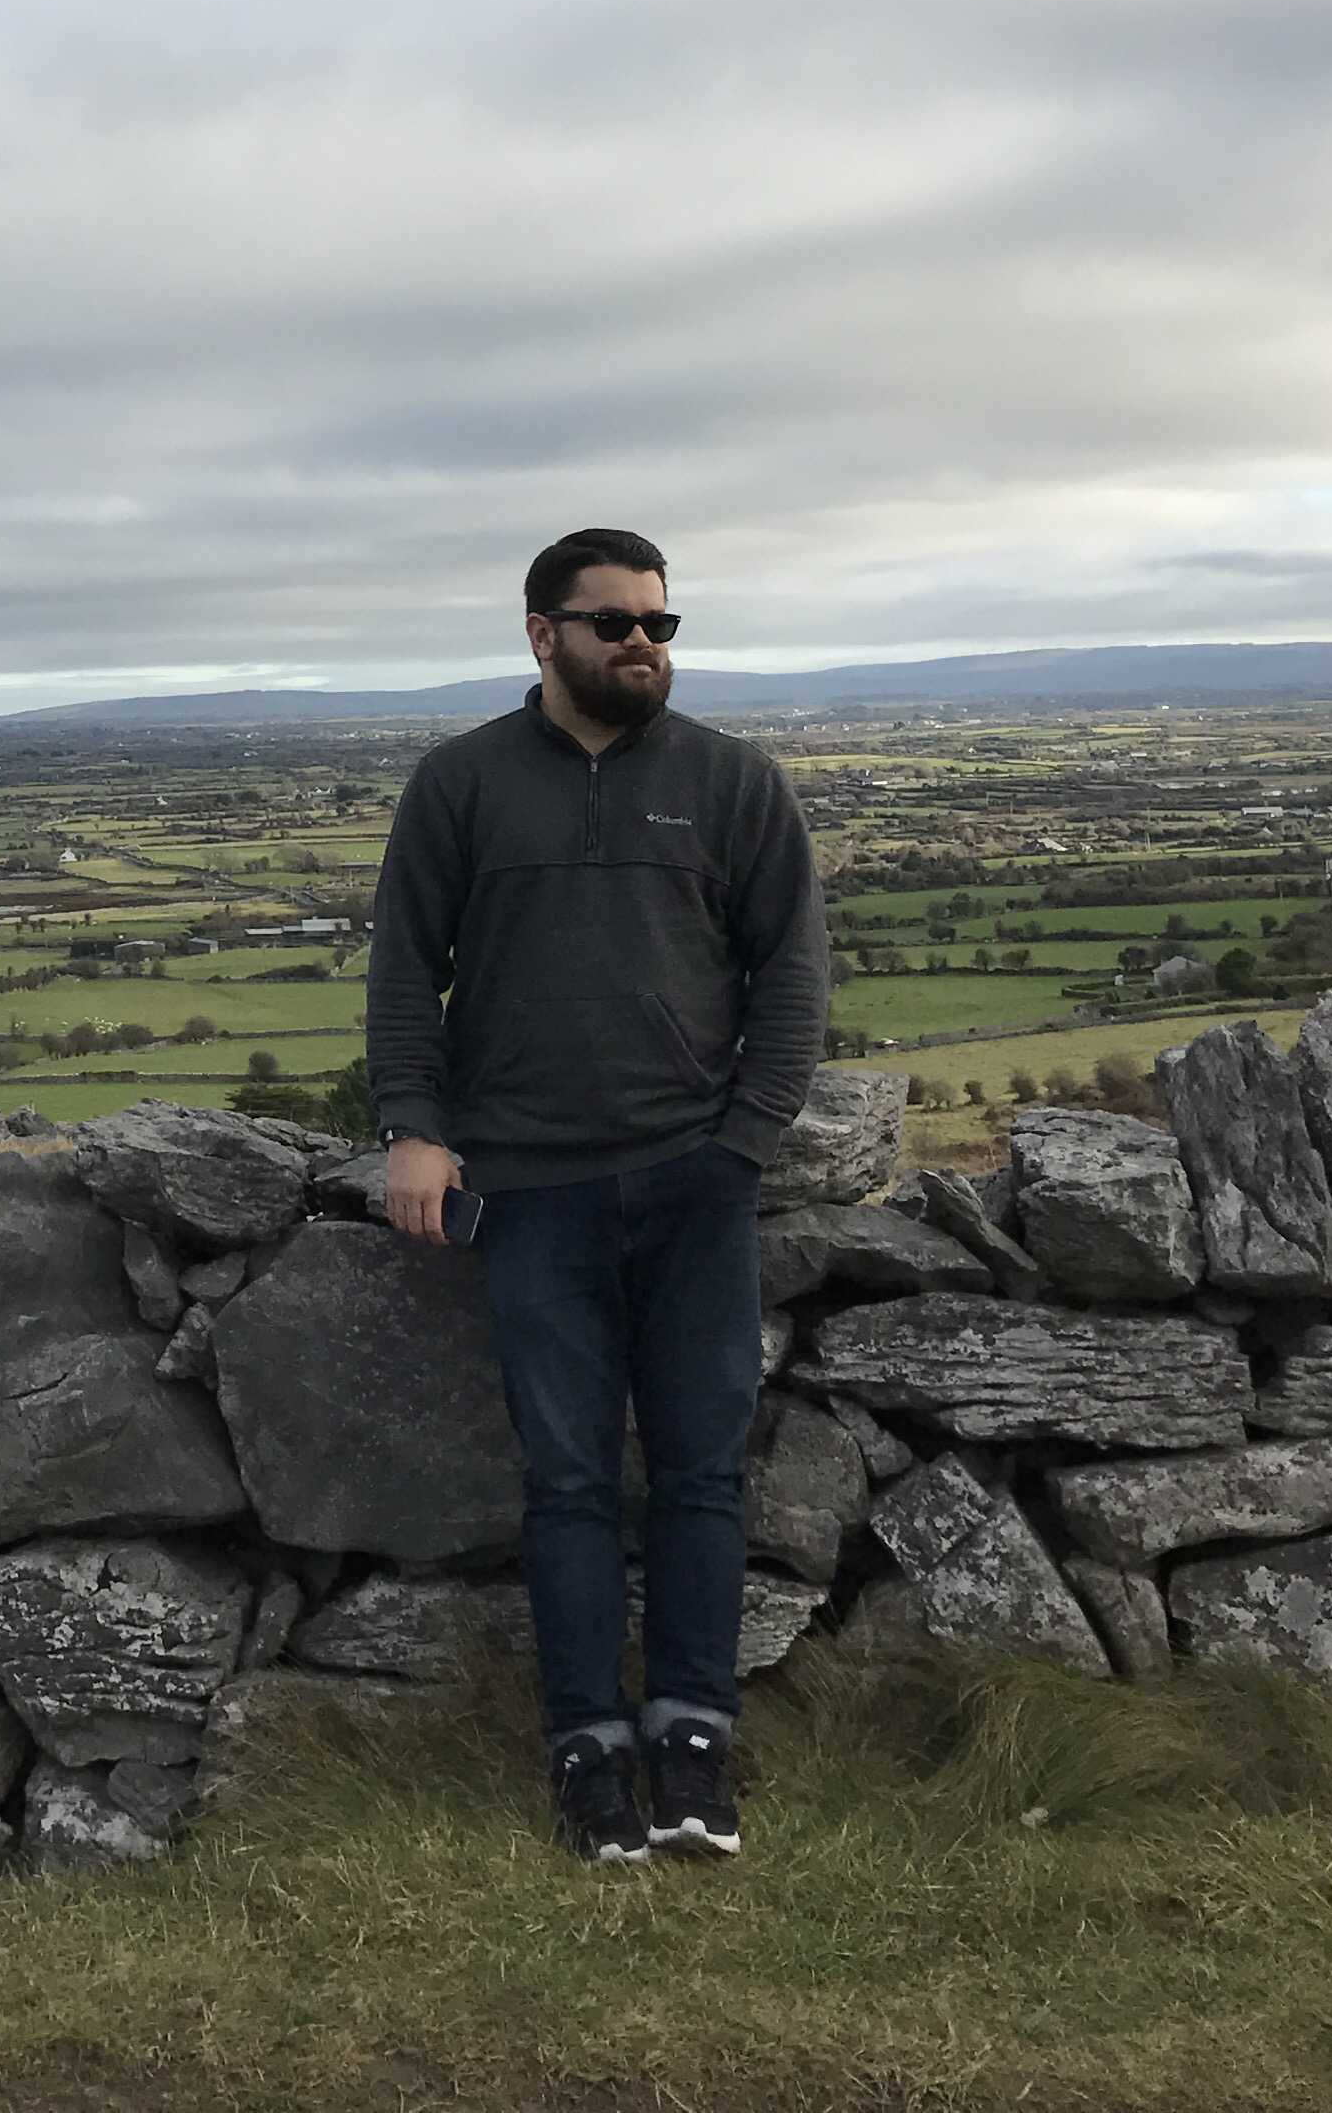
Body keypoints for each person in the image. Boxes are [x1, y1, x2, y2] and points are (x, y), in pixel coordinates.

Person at [362, 527, 827, 1861]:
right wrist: (415, 1129)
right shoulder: (461, 783)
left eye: (660, 625)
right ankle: (586, 1750)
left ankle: (694, 1741)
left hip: (697, 1183)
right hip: (530, 1186)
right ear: (541, 633)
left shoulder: (733, 783)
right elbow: (405, 970)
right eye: (614, 621)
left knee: (699, 1475)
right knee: (566, 1482)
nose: (642, 643)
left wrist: (742, 1143)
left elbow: (794, 973)